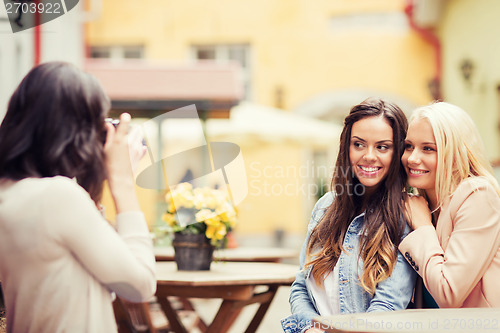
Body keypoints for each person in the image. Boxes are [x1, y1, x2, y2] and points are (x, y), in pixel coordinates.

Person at [0, 62, 156, 332]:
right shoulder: (56, 197)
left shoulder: (11, 194)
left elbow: (91, 274)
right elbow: (140, 285)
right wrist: (122, 182)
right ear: (78, 135)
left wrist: (92, 180)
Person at [282, 98, 417, 333]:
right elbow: (301, 286)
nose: (369, 156)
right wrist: (308, 328)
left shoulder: (405, 215)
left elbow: (388, 305)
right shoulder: (325, 206)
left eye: (382, 147)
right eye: (359, 144)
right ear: (347, 147)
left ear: (397, 152)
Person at [400, 101, 500, 308]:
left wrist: (423, 227)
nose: (412, 158)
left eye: (428, 149)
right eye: (409, 146)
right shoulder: (421, 203)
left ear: (455, 154)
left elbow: (448, 293)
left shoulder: (478, 195)